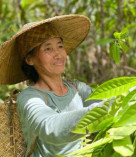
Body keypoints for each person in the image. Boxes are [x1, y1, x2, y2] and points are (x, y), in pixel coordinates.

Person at [0, 15, 105, 157]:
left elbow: (109, 100)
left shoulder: (78, 89)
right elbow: (51, 128)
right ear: (30, 60)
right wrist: (105, 108)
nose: (58, 54)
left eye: (60, 46)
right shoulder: (29, 97)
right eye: (48, 49)